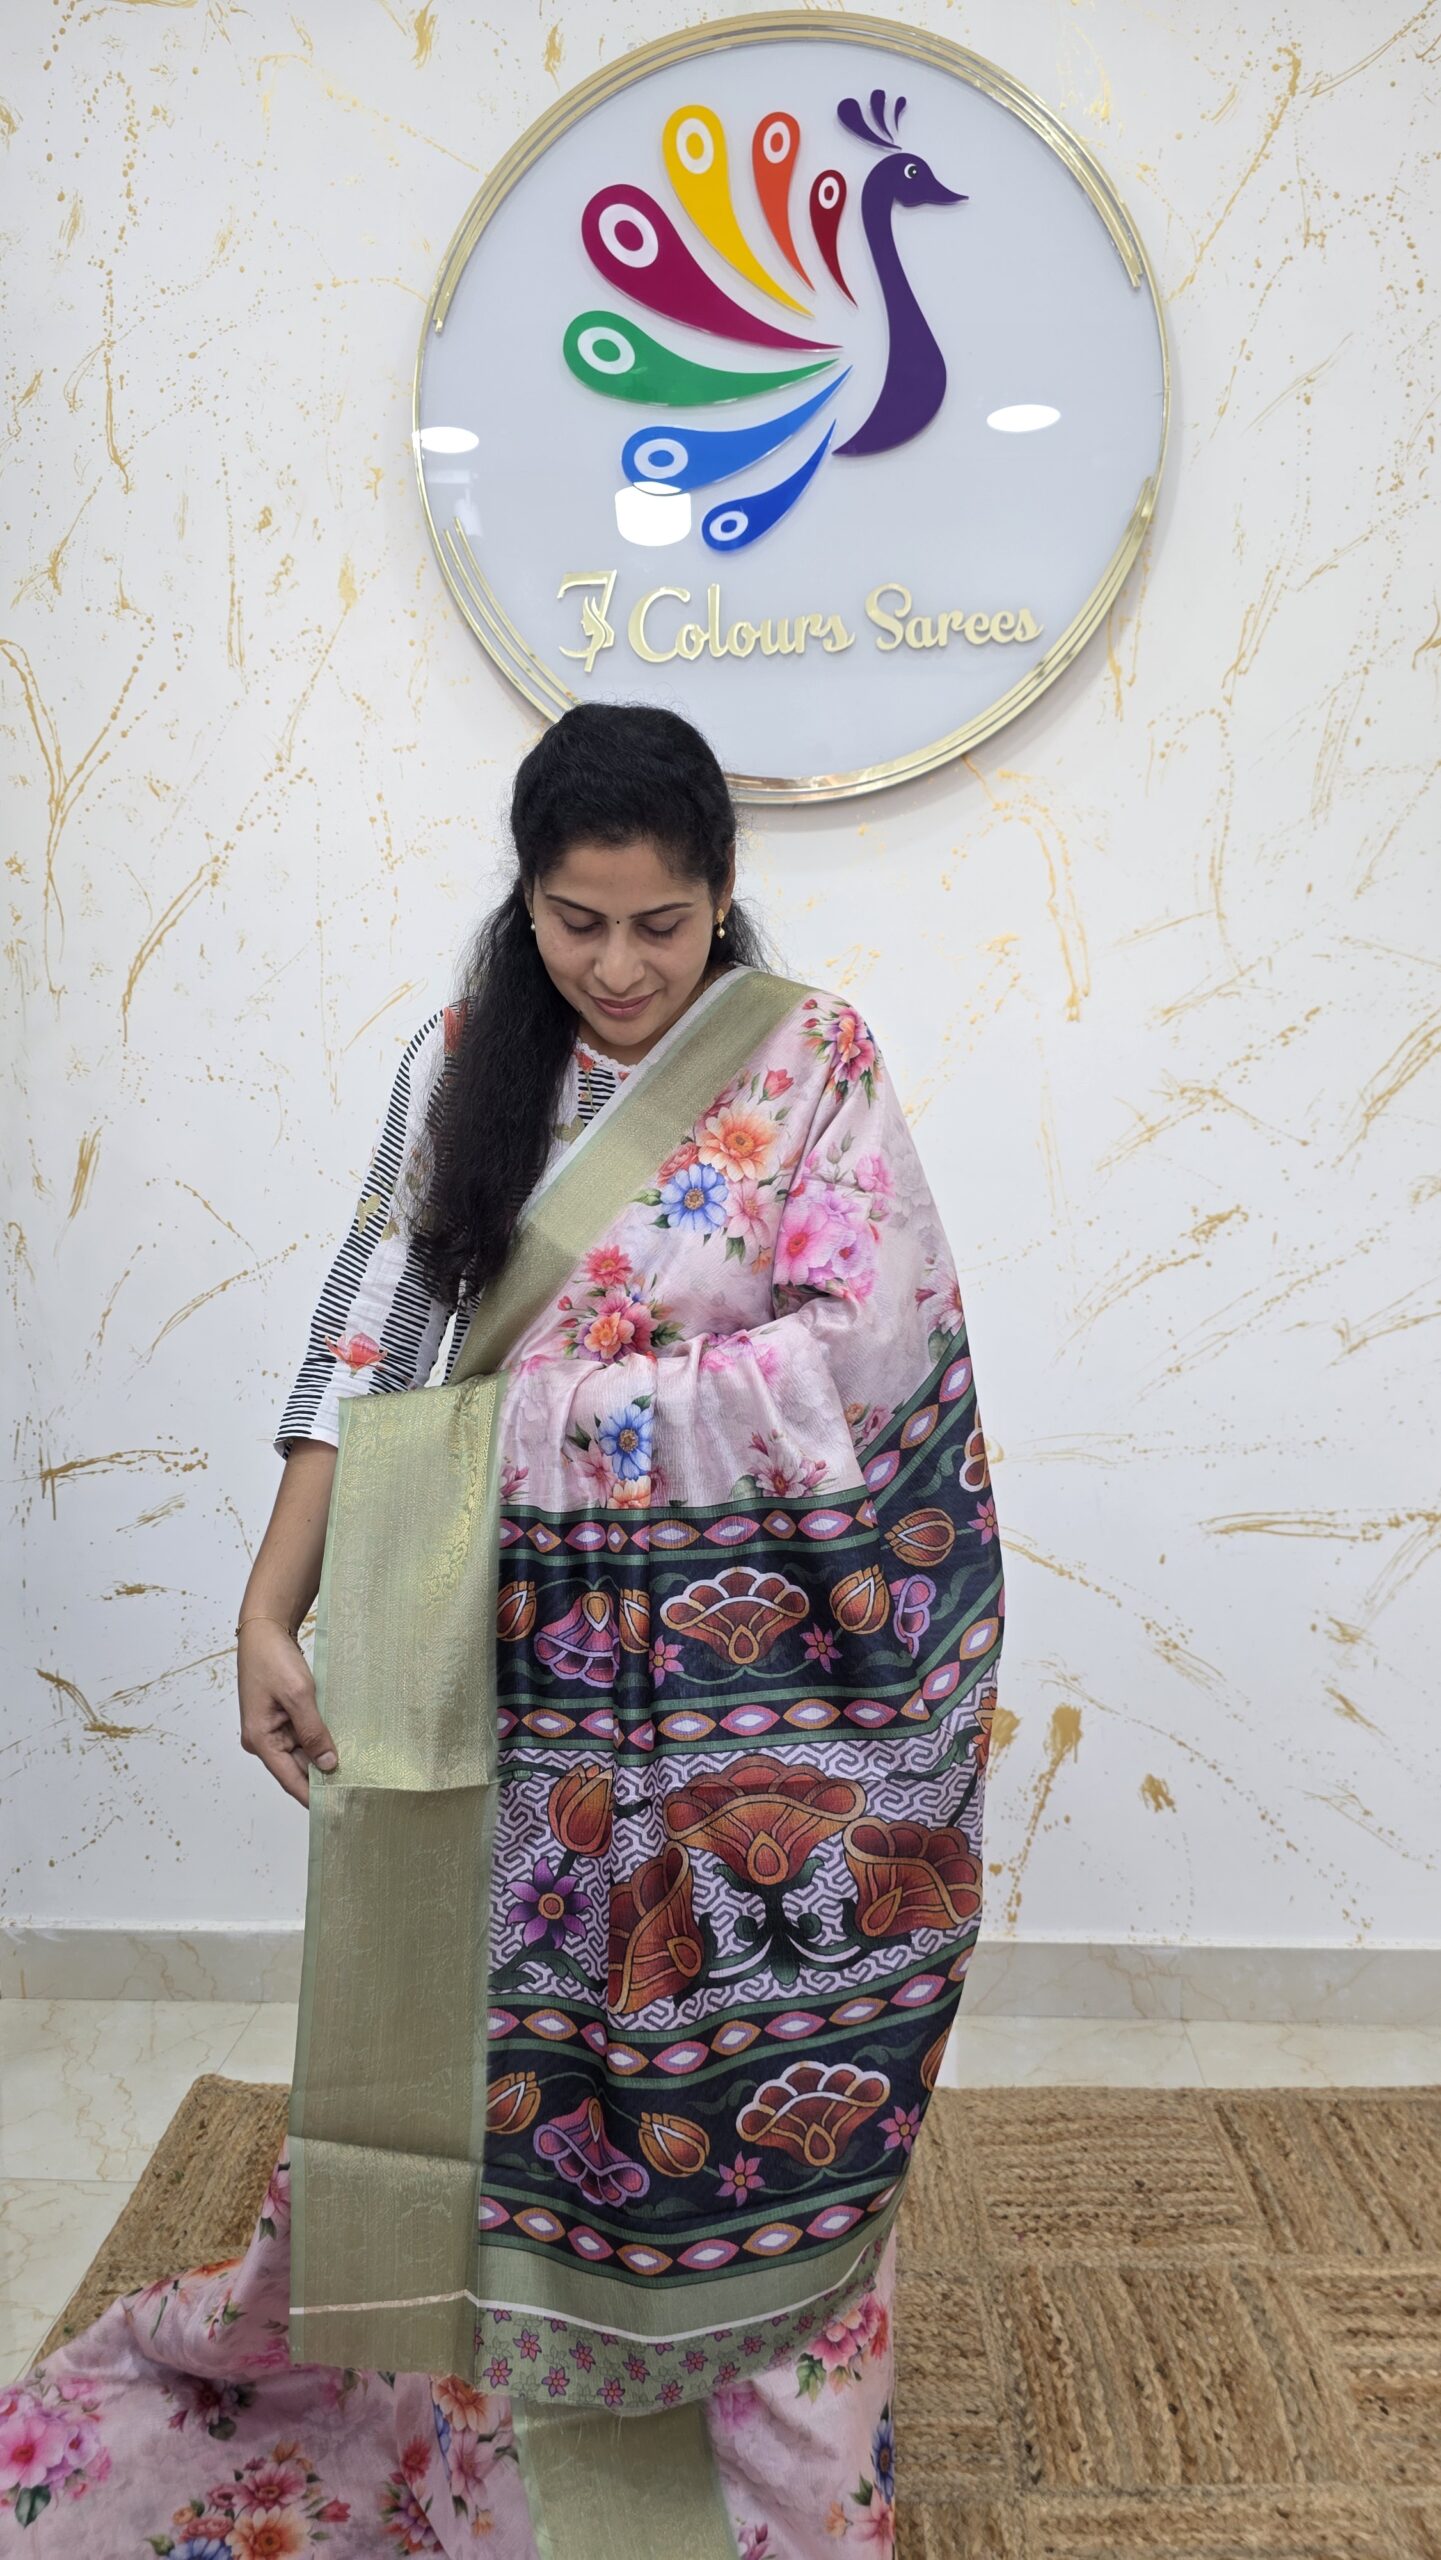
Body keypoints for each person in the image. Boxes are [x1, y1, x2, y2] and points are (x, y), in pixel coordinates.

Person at [6, 705, 1002, 2559]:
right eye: (574, 922)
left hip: (750, 1701)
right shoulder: (466, 1058)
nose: (617, 968)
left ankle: (753, 2485)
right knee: (487, 2069)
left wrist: (558, 1423)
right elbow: (378, 1347)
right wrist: (270, 1603)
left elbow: (868, 1365)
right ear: (525, 901)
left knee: (729, 2083)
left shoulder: (809, 1062)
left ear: (723, 894)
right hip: (494, 1673)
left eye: (661, 924)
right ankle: (498, 2466)